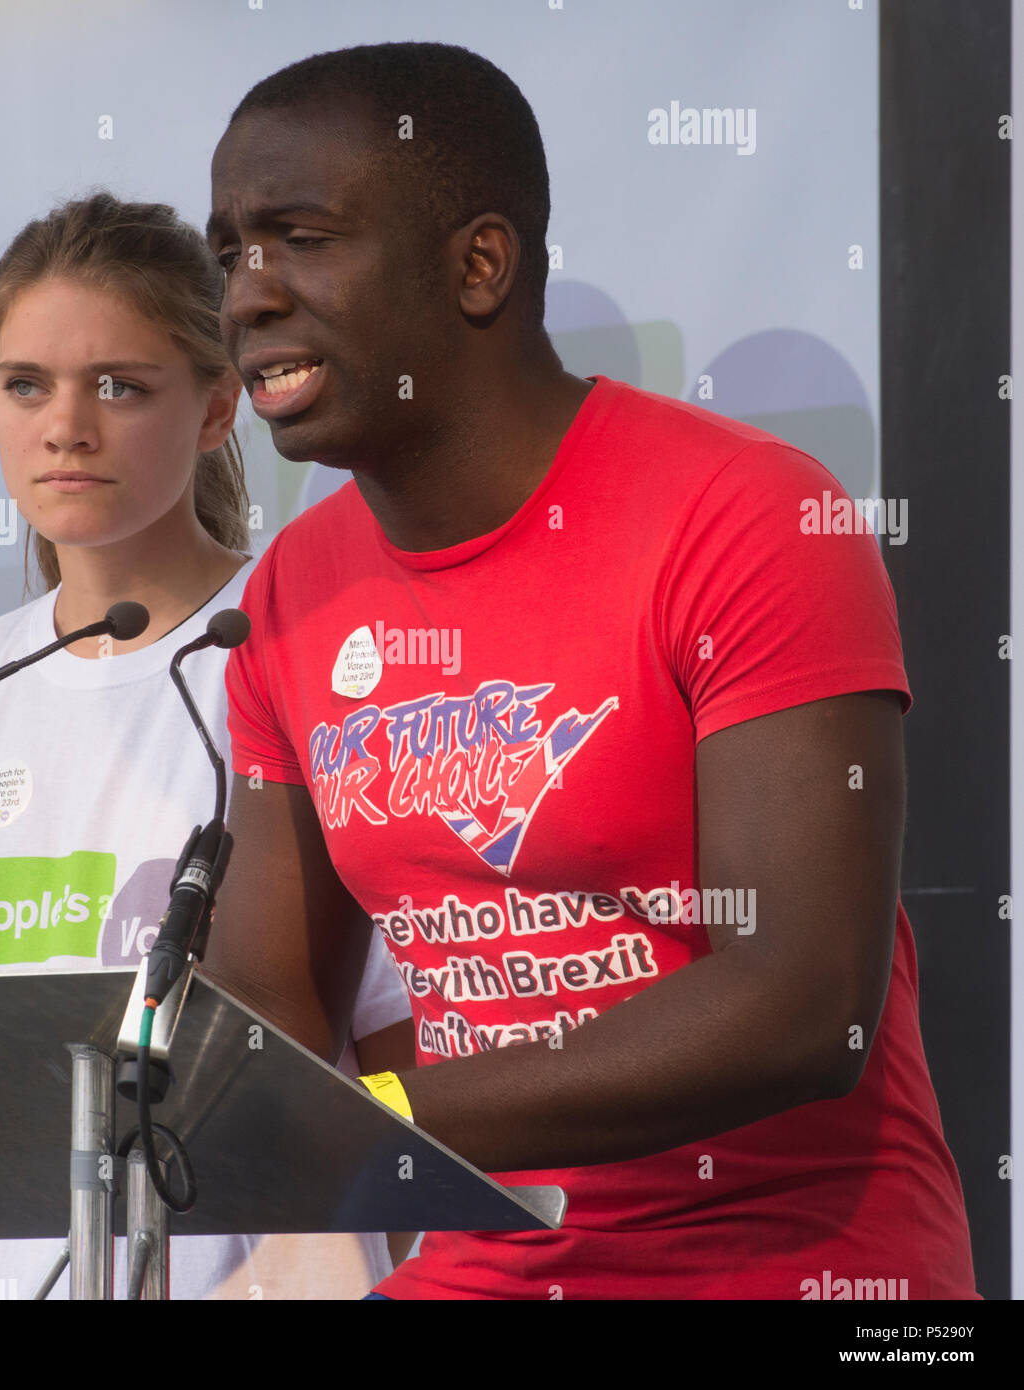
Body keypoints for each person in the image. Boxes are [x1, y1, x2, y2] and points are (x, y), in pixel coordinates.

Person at [199, 41, 980, 1300]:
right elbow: (262, 1000)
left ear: (478, 265)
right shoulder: (290, 591)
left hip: (795, 1269)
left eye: (300, 237)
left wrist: (379, 1116)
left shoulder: (743, 515)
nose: (247, 294)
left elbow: (799, 1003)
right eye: (229, 249)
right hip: (486, 1267)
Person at [0, 192, 413, 1300]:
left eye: (118, 386)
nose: (64, 426)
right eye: (25, 384)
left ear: (220, 404)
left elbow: (395, 1064)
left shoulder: (312, 662)